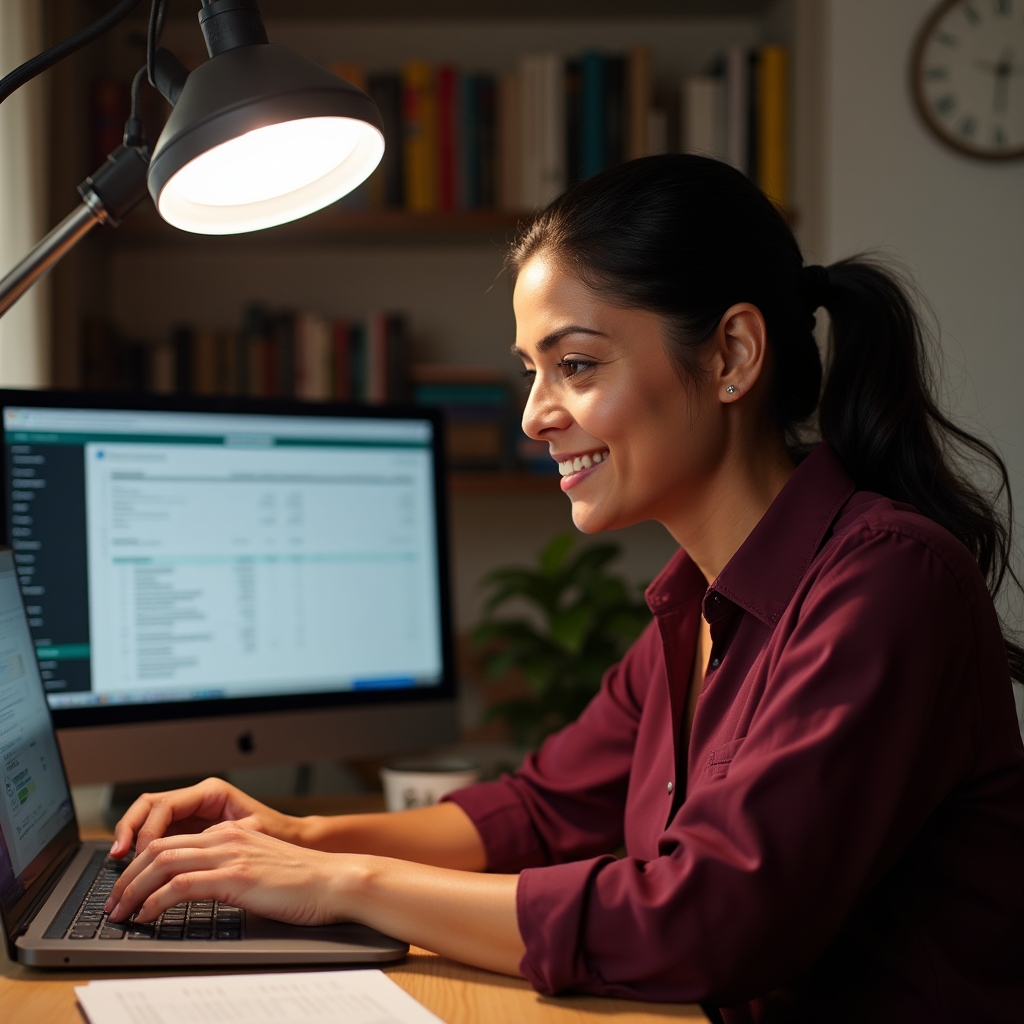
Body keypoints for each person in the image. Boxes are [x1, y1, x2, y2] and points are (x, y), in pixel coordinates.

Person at [104, 156, 1024, 1022]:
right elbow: (539, 811)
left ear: (734, 356)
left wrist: (341, 885)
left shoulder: (885, 583)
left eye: (576, 364)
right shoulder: (693, 606)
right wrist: (297, 839)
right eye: (531, 370)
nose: (536, 415)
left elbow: (704, 921)